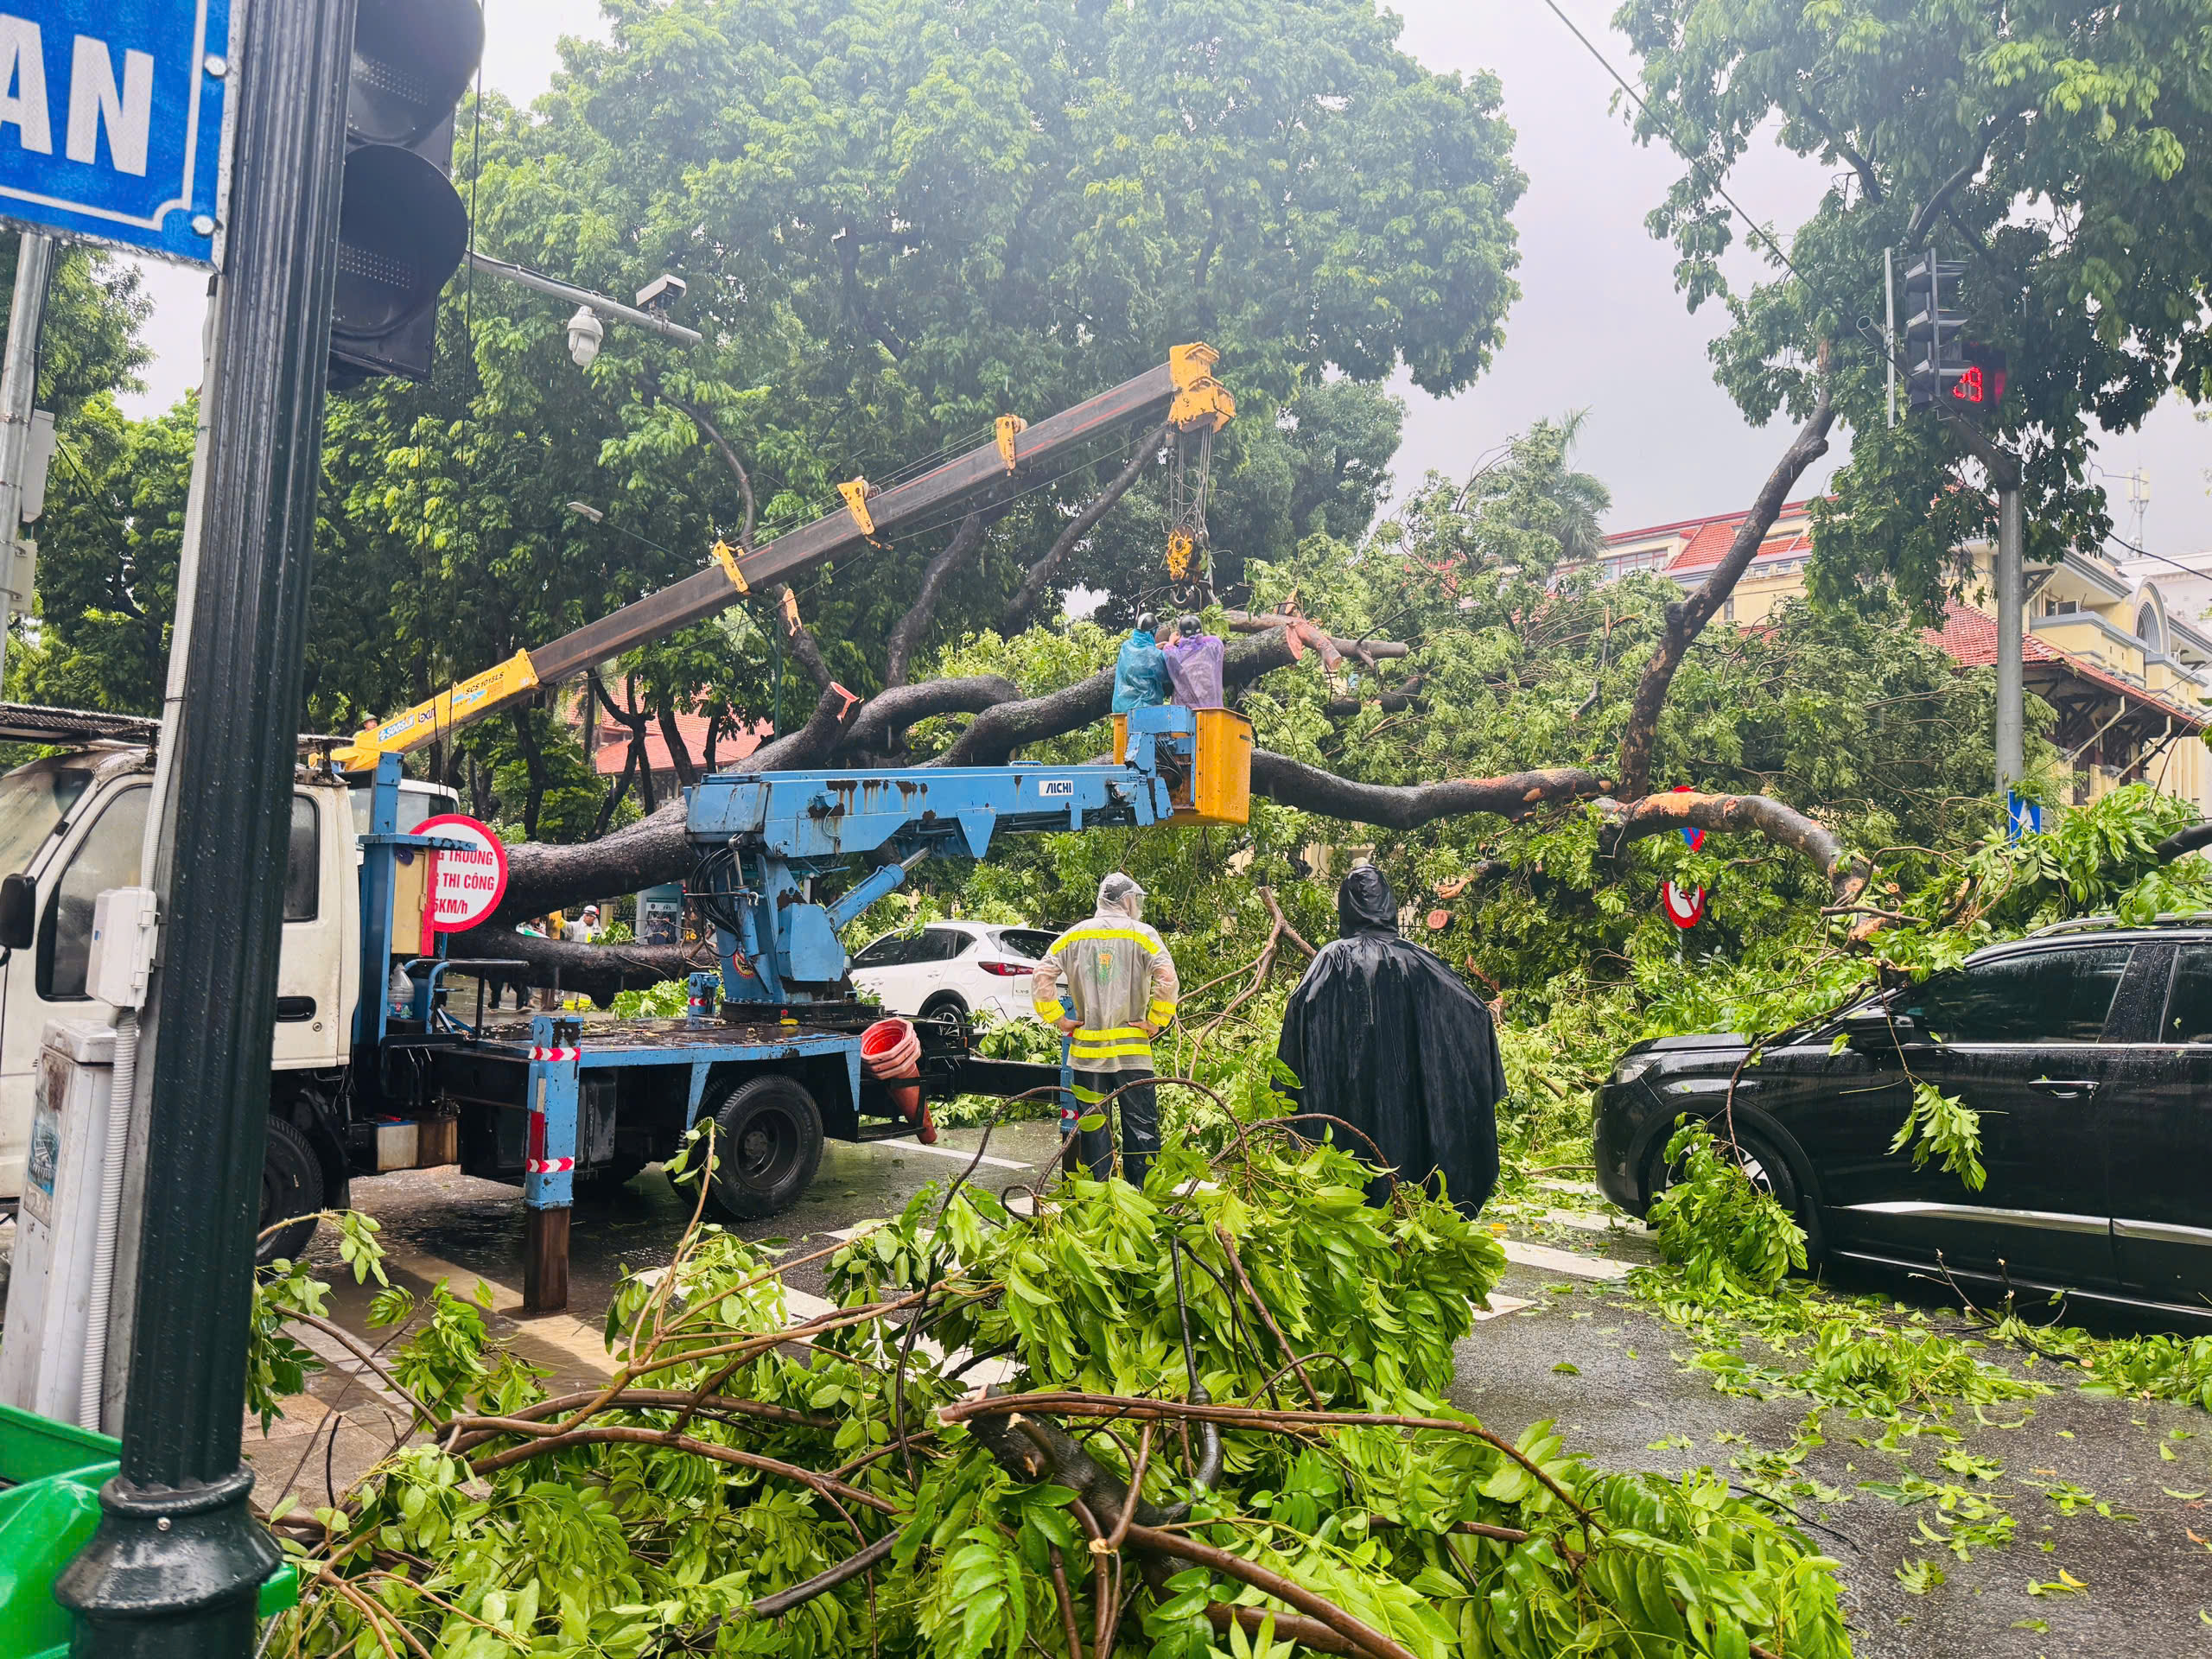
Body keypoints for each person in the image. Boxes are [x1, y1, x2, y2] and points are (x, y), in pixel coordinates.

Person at [1275, 865, 1503, 1216]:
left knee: (1350, 1166)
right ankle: (1407, 1205)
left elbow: (1299, 1020)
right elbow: (1473, 1012)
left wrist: (1286, 1093)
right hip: (1407, 1104)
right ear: (1389, 905)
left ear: (1346, 907)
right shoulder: (1418, 959)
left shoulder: (1331, 959)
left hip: (1345, 1099)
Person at [1031, 872, 1179, 1188]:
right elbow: (1167, 978)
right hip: (1132, 1054)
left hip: (1088, 1054)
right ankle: (1142, 1194)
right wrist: (1156, 1019)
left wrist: (1058, 1017)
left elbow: (1042, 974)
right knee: (1141, 1126)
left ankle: (1101, 1195)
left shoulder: (1075, 936)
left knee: (1094, 1129)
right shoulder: (1143, 935)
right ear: (1127, 901)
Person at [1161, 613, 1225, 709]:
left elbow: (1167, 651)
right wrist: (1196, 640)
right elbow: (1215, 639)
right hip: (1212, 710)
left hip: (1185, 712)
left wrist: (1171, 641)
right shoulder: (1213, 647)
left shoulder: (1175, 655)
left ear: (1182, 634)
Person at [1112, 613, 1171, 713]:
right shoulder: (1155, 655)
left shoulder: (1126, 647)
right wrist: (1170, 646)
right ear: (1152, 631)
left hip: (1121, 708)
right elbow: (1166, 675)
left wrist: (1154, 648)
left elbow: (1141, 654)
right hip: (1145, 708)